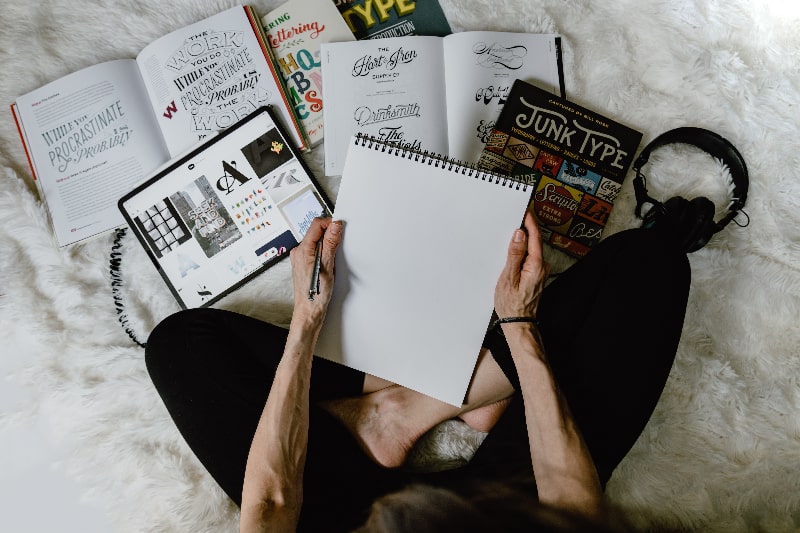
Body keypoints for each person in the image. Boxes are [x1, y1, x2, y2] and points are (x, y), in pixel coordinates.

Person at [145, 212, 690, 532]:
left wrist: (308, 321)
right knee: (651, 264)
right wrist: (519, 327)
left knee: (179, 346)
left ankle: (395, 411)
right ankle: (447, 396)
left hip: (338, 515)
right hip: (496, 509)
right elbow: (571, 502)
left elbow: (273, 503)